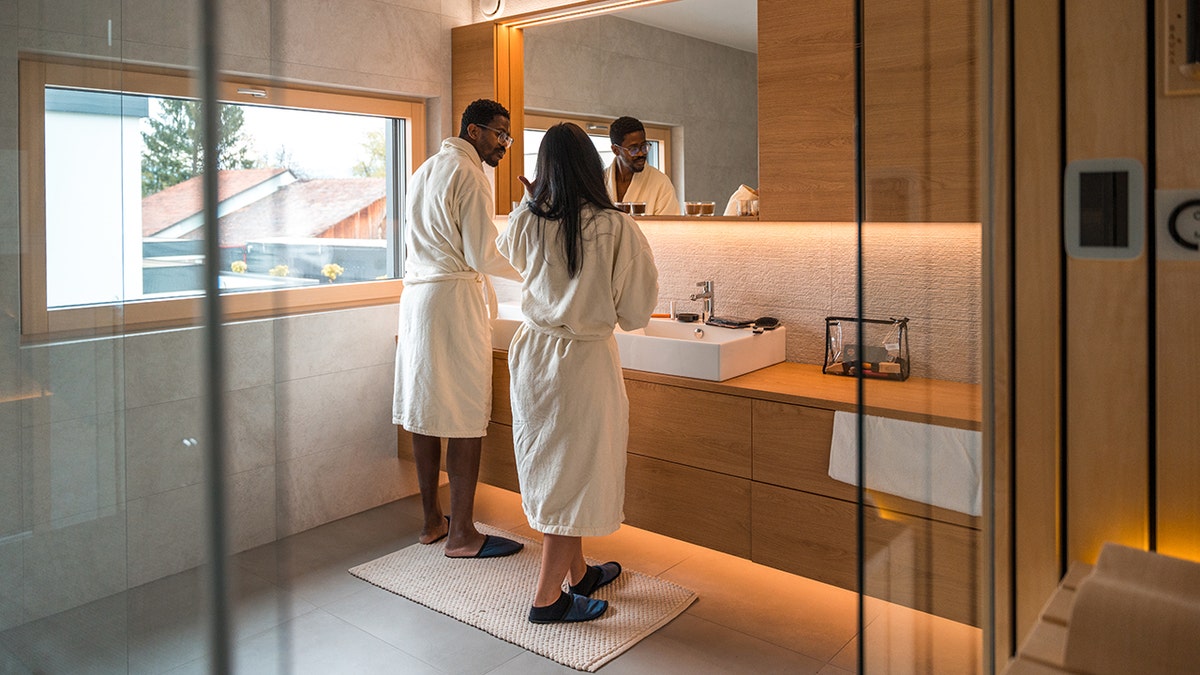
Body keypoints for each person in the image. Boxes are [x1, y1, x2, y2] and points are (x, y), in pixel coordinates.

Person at [497, 123, 659, 623]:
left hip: (532, 359)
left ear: (544, 170)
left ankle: (579, 573)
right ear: (594, 165)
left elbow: (506, 254)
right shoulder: (617, 227)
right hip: (582, 363)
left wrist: (529, 202)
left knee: (555, 468)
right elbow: (634, 315)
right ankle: (547, 599)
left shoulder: (529, 220)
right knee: (574, 474)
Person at [393, 98, 525, 559]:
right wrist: (537, 272)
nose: (505, 144)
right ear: (474, 131)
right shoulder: (470, 174)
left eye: (508, 137)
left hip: (418, 301)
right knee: (468, 415)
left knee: (425, 412)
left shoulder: (424, 170)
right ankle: (463, 533)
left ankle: (431, 521)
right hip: (451, 301)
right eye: (498, 134)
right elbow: (483, 254)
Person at [604, 116, 680, 216]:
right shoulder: (599, 182)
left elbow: (669, 227)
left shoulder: (660, 183)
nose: (641, 154)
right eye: (633, 149)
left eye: (644, 147)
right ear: (615, 150)